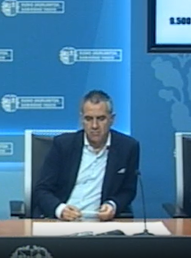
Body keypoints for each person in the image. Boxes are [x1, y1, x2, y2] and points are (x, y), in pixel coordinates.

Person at [33, 90, 140, 221]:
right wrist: (60, 210)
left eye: (101, 119)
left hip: (101, 223)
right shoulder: (63, 145)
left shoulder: (128, 147)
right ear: (81, 119)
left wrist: (112, 205)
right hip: (62, 221)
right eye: (88, 119)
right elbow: (42, 190)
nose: (94, 126)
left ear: (112, 119)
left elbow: (128, 190)